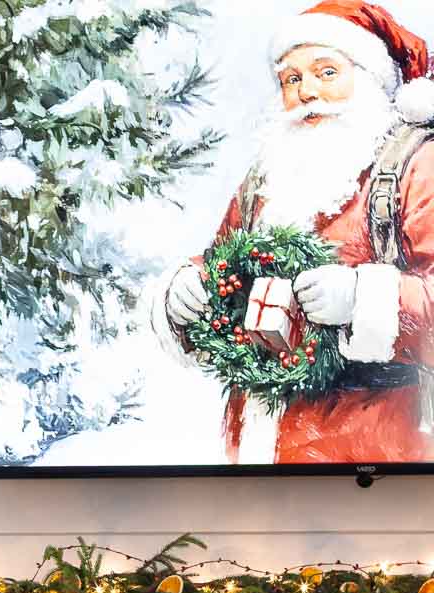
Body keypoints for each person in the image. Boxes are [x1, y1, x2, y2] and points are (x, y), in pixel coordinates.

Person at [160, 1, 434, 463]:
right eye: (291, 79)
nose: (307, 91)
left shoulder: (417, 167)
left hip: (371, 453)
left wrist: (361, 299)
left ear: (370, 79)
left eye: (326, 72)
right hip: (255, 449)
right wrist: (188, 288)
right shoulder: (268, 176)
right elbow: (223, 263)